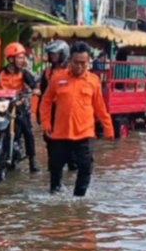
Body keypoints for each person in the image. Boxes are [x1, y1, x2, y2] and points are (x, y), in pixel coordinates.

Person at [37, 42, 114, 197]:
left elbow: (100, 107)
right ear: (70, 61)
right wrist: (45, 123)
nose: (79, 66)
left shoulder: (93, 81)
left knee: (85, 168)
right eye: (76, 62)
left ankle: (79, 199)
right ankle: (55, 193)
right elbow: (45, 102)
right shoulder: (57, 78)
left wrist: (108, 128)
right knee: (55, 167)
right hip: (60, 134)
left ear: (88, 62)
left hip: (84, 134)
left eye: (83, 63)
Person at [0, 42, 40, 174]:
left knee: (28, 130)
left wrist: (35, 89)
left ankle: (32, 160)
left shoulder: (24, 73)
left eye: (23, 57)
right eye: (19, 57)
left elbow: (33, 83)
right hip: (1, 106)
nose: (22, 60)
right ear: (11, 59)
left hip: (18, 105)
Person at [35, 40, 73, 170]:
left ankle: (71, 164)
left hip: (67, 109)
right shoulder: (47, 73)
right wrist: (40, 114)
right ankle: (54, 167)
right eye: (51, 54)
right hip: (51, 110)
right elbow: (43, 95)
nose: (53, 57)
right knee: (50, 140)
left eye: (56, 54)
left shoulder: (71, 71)